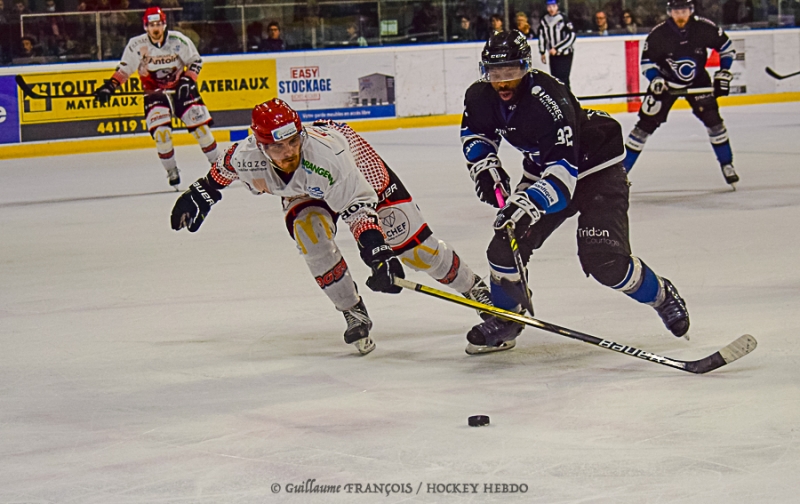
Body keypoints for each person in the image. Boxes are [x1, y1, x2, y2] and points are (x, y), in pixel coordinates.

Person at [170, 99, 492, 355]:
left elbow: (358, 208)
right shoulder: (247, 156)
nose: (289, 153)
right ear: (261, 146)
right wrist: (203, 192)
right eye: (278, 148)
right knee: (311, 237)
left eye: (294, 141)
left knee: (416, 252)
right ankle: (352, 310)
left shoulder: (327, 156)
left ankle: (474, 287)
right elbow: (225, 167)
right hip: (305, 191)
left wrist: (377, 251)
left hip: (359, 176)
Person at [459, 31, 690, 354]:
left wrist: (527, 205)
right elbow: (475, 134)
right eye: (495, 74)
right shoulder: (480, 97)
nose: (503, 82)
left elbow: (562, 181)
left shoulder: (549, 100)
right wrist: (485, 167)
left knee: (605, 261)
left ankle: (661, 295)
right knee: (504, 247)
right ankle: (507, 320)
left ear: (526, 68)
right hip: (545, 169)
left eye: (511, 72)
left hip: (596, 172)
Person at [93, 7, 219, 190]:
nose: (156, 28)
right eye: (152, 25)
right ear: (146, 26)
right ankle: (172, 170)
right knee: (162, 135)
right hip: (154, 93)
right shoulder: (137, 45)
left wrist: (188, 80)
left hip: (180, 89)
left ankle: (219, 166)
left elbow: (196, 61)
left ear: (164, 24)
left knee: (201, 130)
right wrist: (110, 86)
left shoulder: (178, 41)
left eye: (158, 24)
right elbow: (124, 70)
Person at [622, 0, 739, 187]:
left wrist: (724, 71)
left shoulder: (703, 27)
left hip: (698, 82)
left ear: (691, 10)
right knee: (643, 127)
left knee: (714, 123)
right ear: (670, 12)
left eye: (684, 10)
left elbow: (726, 48)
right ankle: (620, 173)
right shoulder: (659, 34)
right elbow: (647, 63)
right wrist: (656, 79)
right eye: (677, 11)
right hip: (666, 84)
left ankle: (727, 164)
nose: (681, 15)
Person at [537, 0, 575, 90]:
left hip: (565, 54)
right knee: (555, 79)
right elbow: (542, 36)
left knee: (563, 79)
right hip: (553, 55)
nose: (551, 9)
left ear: (557, 6)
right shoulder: (544, 20)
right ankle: (559, 100)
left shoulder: (563, 19)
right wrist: (542, 52)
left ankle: (567, 100)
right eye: (549, 6)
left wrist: (557, 48)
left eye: (553, 6)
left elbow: (571, 36)